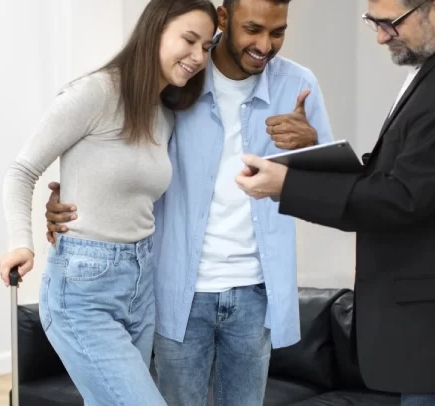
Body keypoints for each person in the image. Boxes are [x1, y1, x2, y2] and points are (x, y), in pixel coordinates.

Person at [44, 0, 334, 404]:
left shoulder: (299, 85)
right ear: (224, 17)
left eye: (278, 32)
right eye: (253, 29)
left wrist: (312, 146)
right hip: (175, 292)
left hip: (255, 294)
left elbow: (331, 192)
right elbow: (122, 159)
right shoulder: (178, 79)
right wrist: (72, 202)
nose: (265, 45)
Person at [236, 1, 435, 406]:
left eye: (390, 23)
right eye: (373, 21)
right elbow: (393, 177)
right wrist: (313, 149)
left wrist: (288, 185)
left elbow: (402, 198)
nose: (380, 35)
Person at [0, 1, 218, 405]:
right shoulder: (96, 93)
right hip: (83, 288)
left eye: (206, 46)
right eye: (189, 40)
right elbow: (22, 171)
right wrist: (21, 242)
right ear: (155, 30)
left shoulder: (164, 115)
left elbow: (124, 188)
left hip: (140, 283)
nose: (197, 57)